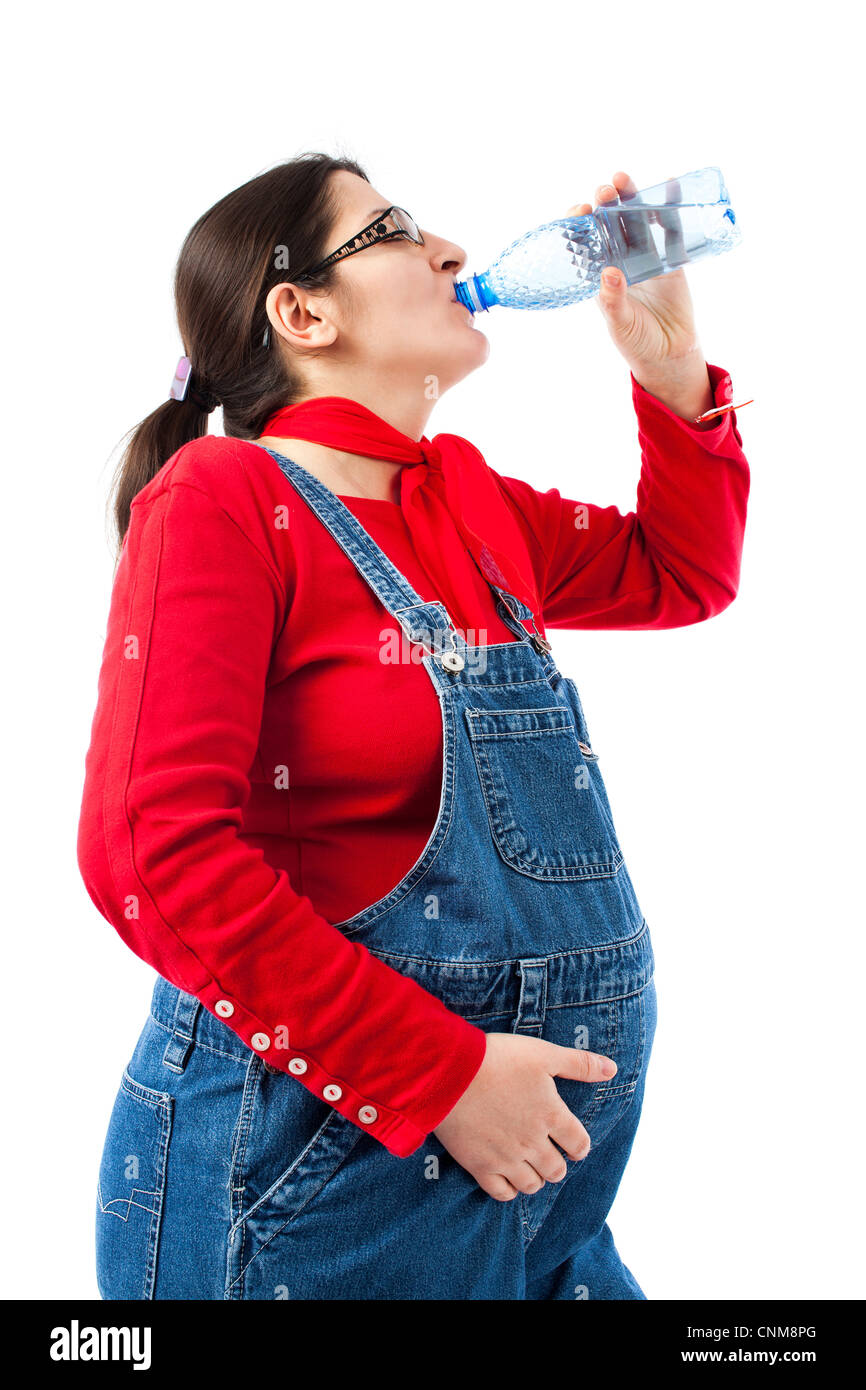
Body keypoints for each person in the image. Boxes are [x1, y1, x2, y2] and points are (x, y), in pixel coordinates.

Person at [77, 151, 750, 1301]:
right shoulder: (222, 500)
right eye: (392, 231)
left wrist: (670, 371)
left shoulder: (463, 493)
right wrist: (435, 1077)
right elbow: (147, 852)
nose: (448, 250)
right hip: (323, 1187)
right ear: (301, 310)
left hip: (543, 1190)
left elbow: (678, 571)